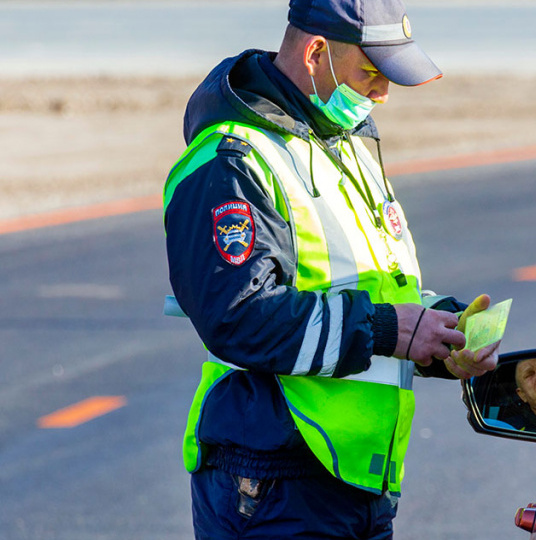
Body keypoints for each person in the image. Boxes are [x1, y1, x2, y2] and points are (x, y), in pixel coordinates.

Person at [162, 0, 499, 537]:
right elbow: (240, 319)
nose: (382, 93)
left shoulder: (350, 143)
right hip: (271, 480)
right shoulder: (232, 160)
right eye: (372, 72)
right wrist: (392, 330)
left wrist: (443, 333)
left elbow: (372, 285)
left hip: (358, 485)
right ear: (317, 52)